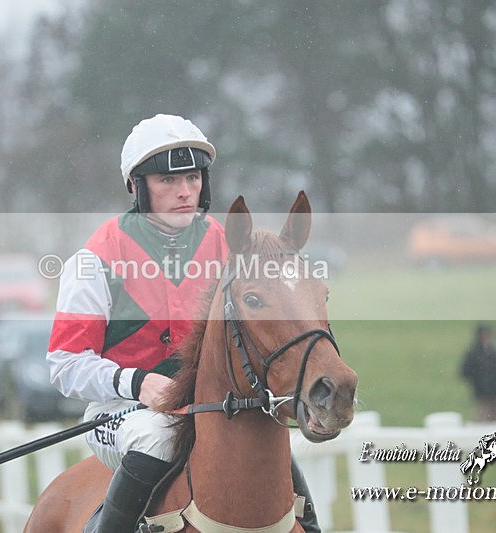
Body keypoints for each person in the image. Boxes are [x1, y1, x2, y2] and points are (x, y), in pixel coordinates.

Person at [46, 113, 321, 532]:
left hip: (213, 405)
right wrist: (138, 383)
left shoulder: (227, 245)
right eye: (167, 181)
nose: (184, 192)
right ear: (137, 187)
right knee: (158, 435)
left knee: (273, 444)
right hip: (122, 412)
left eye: (192, 178)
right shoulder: (94, 260)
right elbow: (65, 365)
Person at [460, 323, 496, 422]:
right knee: (483, 423)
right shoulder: (474, 353)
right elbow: (465, 371)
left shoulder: (493, 352)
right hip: (482, 396)